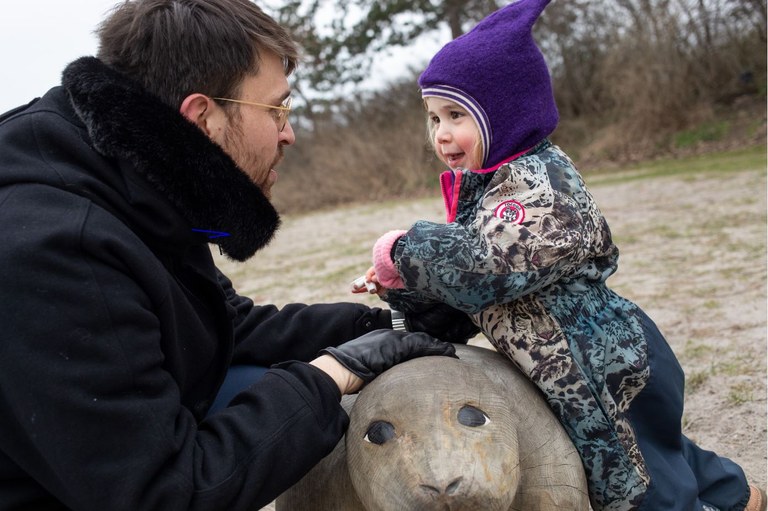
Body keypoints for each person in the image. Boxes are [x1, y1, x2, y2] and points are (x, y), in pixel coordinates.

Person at [0, 1, 477, 509]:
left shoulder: (131, 174)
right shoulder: (57, 249)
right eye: (278, 109)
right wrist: (333, 373)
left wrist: (385, 327)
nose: (288, 132)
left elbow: (223, 329)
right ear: (202, 116)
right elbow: (161, 495)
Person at [353, 0, 765, 509]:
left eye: (456, 115)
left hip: (600, 365)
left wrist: (404, 249)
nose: (441, 133)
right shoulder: (490, 187)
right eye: (433, 117)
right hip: (578, 364)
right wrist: (407, 288)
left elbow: (491, 266)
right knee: (657, 449)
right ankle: (739, 495)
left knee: (636, 484)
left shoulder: (538, 184)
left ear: (505, 113)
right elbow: (474, 294)